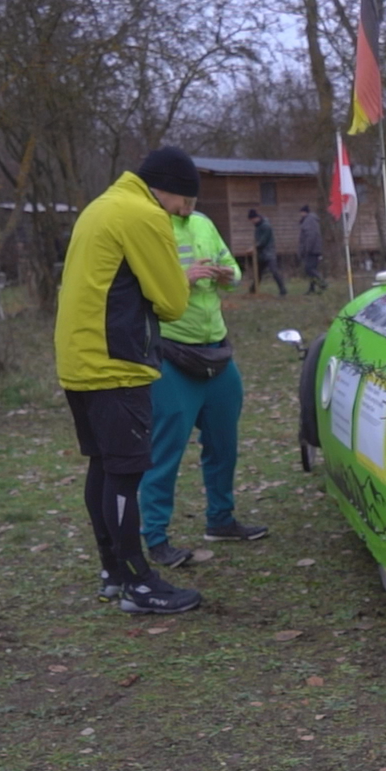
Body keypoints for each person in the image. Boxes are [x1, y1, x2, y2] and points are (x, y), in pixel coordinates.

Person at [55, 146, 201, 615]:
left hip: (79, 358)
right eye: (186, 204)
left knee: (103, 465)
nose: (184, 213)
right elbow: (173, 301)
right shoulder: (143, 214)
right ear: (171, 191)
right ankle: (138, 582)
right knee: (125, 472)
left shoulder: (100, 207)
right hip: (114, 362)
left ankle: (113, 573)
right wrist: (179, 279)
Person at [139, 202, 269, 569]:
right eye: (183, 194)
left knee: (223, 442)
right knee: (165, 451)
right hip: (172, 354)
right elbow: (138, 287)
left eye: (194, 196)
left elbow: (236, 270)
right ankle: (155, 537)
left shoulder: (202, 222)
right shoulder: (147, 226)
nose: (190, 203)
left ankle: (221, 520)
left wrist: (230, 275)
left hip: (215, 351)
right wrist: (185, 277)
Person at [248, 209, 287, 295]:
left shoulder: (266, 226)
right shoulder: (257, 226)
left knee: (274, 271)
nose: (252, 222)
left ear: (256, 218)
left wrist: (254, 247)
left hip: (269, 252)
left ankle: (283, 290)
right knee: (258, 272)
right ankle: (253, 290)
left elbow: (263, 241)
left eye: (252, 220)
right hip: (261, 253)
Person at [297, 205, 327, 293]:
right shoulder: (310, 220)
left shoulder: (309, 221)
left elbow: (311, 236)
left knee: (309, 268)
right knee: (311, 269)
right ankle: (312, 288)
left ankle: (322, 283)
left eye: (301, 212)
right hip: (313, 249)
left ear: (304, 212)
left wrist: (307, 249)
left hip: (312, 250)